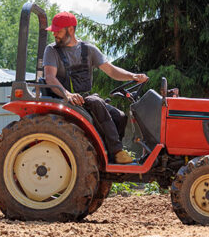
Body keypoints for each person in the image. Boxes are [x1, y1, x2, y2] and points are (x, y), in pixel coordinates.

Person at [43, 11, 148, 164]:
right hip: (65, 99)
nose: (55, 34)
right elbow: (50, 77)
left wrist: (133, 76)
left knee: (120, 116)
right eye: (53, 31)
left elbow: (111, 70)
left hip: (85, 98)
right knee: (96, 102)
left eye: (58, 30)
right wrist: (68, 94)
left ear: (70, 30)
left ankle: (107, 156)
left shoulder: (88, 50)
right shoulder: (51, 50)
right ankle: (117, 151)